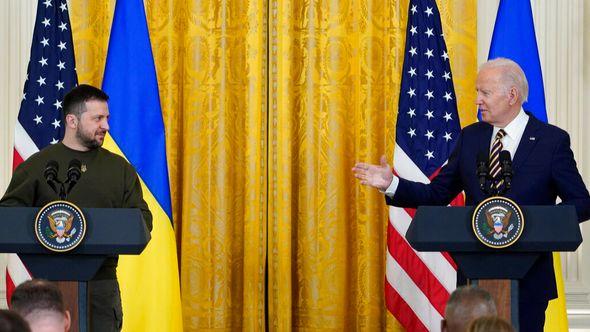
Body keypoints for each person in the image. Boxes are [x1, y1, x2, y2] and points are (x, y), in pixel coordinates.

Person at [353, 58, 590, 331]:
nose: (477, 100)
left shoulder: (551, 141)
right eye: (478, 92)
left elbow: (581, 203)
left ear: (512, 95)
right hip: (474, 278)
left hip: (530, 280)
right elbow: (437, 194)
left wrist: (534, 223)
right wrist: (391, 183)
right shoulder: (470, 138)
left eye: (484, 92)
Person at [0, 84, 153, 332]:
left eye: (107, 118)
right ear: (72, 120)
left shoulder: (119, 169)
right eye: (98, 118)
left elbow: (142, 221)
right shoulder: (38, 165)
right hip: (46, 290)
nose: (106, 126)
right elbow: (8, 218)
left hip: (102, 288)